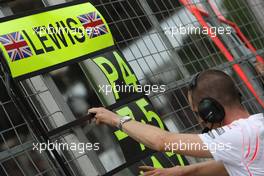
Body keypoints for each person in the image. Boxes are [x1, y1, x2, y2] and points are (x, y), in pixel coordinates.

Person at [88, 69, 264, 176]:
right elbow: (229, 165)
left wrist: (115, 119)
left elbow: (162, 141)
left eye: (197, 112)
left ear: (210, 110)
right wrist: (183, 171)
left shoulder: (238, 136)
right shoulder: (254, 128)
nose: (200, 119)